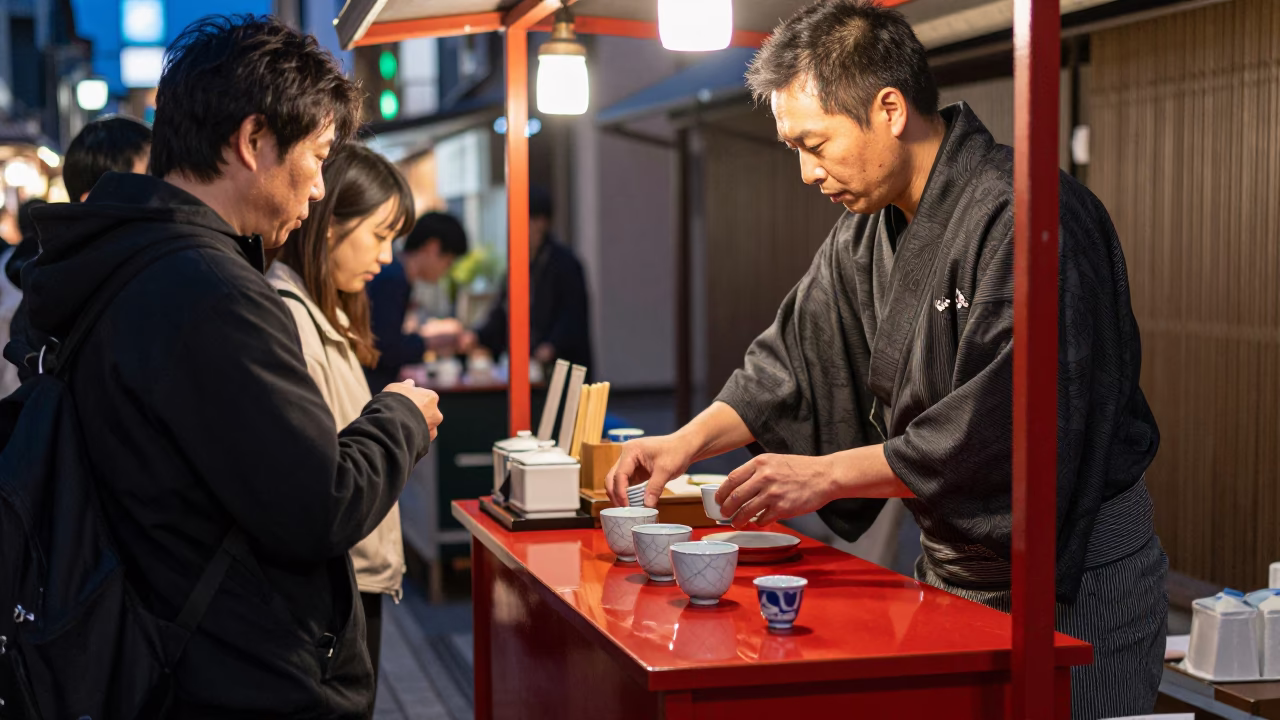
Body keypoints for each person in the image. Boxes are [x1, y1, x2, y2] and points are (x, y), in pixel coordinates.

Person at [605, 2, 1163, 718]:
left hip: (1076, 570)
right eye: (794, 149)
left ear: (890, 110)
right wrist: (683, 444)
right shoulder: (864, 232)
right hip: (956, 567)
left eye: (815, 144)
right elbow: (791, 362)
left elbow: (1004, 423)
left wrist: (825, 475)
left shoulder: (1024, 213)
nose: (807, 172)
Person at [19, 15, 441, 717]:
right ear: (253, 140)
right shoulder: (212, 291)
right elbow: (320, 503)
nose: (317, 191)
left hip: (148, 649)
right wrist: (401, 417)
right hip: (229, 674)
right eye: (317, 156)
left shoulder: (119, 259)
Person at [268, 143, 415, 684]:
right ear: (330, 224)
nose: (387, 257)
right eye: (379, 235)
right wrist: (403, 418)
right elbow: (322, 473)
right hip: (333, 584)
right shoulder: (290, 317)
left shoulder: (318, 310)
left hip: (350, 576)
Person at [4, 117, 152, 383]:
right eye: (149, 179)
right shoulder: (66, 293)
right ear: (93, 198)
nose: (162, 192)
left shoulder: (56, 278)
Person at [462, 186, 592, 372]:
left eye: (525, 220)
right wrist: (477, 336)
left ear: (542, 223)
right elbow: (502, 311)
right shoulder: (518, 263)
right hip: (528, 365)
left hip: (561, 367)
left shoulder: (565, 263)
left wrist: (550, 347)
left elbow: (572, 316)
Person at [365, 210, 468, 389]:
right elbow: (384, 349)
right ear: (433, 248)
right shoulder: (393, 278)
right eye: (448, 261)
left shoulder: (398, 276)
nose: (447, 270)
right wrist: (432, 341)